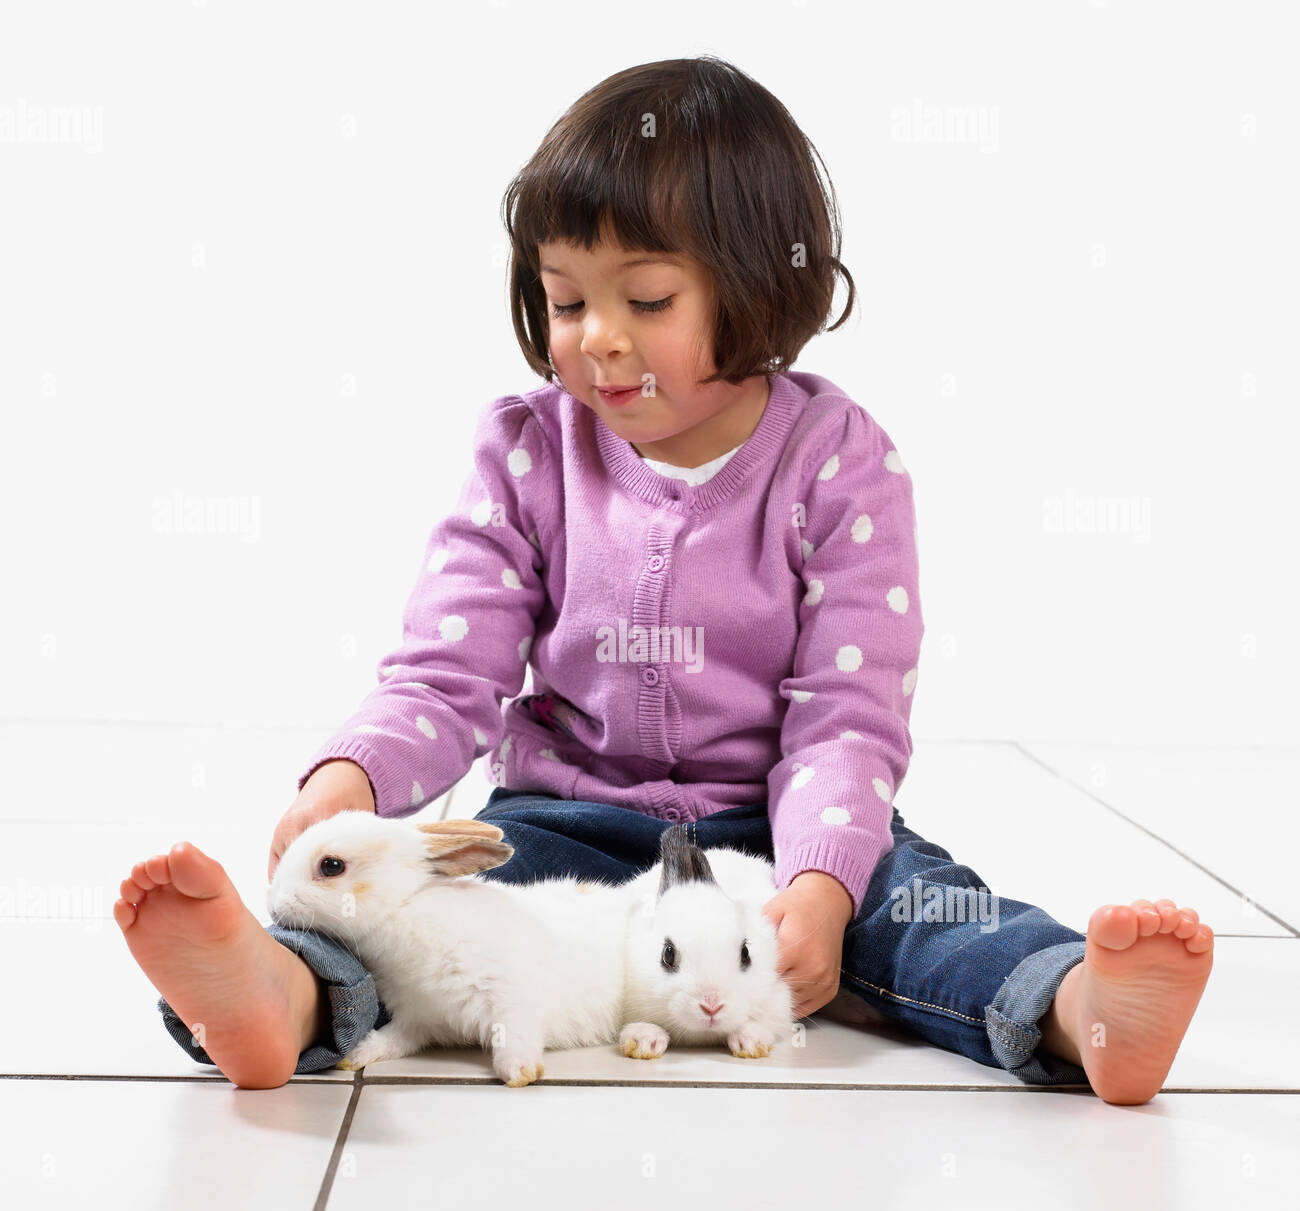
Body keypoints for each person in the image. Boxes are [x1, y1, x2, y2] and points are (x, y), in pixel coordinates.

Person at [114, 56, 1212, 1103]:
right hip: (559, 825)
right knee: (419, 918)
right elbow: (449, 669)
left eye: (644, 301)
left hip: (779, 828)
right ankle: (282, 994)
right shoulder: (529, 452)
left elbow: (847, 714)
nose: (595, 340)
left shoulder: (838, 461)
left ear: (752, 286)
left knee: (921, 905)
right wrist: (352, 782)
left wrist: (822, 887)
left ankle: (1078, 1008)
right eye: (565, 300)